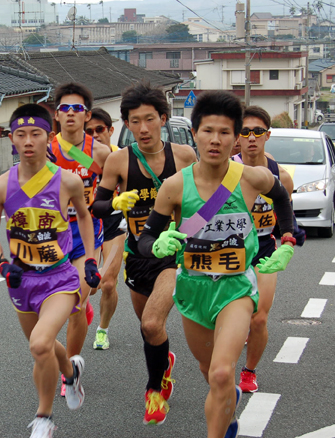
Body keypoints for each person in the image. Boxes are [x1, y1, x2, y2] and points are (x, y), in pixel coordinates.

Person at [137, 90, 296, 438]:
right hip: (193, 289)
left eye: (225, 132)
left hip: (235, 286)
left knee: (223, 373)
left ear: (236, 137)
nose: (215, 140)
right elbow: (145, 240)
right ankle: (228, 407)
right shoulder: (174, 187)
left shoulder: (250, 178)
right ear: (194, 133)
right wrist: (159, 244)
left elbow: (282, 197)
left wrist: (288, 239)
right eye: (208, 130)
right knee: (210, 372)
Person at [0, 103, 101, 437]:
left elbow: (85, 217)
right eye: (20, 134)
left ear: (48, 137)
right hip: (21, 281)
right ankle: (71, 372)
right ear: (11, 139)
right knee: (44, 347)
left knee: (39, 345)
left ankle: (44, 418)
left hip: (60, 277)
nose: (28, 141)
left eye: (35, 134)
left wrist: (90, 260)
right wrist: (3, 265)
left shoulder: (67, 181)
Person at [91, 81, 197, 425]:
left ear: (163, 118)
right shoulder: (119, 160)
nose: (143, 128)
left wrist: (187, 234)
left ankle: (154, 389)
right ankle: (164, 361)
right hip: (137, 253)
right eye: (134, 121)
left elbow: (204, 203)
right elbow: (98, 205)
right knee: (149, 329)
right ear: (126, 124)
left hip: (173, 255)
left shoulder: (184, 157)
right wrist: (117, 202)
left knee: (153, 323)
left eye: (149, 119)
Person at [49, 83, 111, 396]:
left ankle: (70, 371)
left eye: (77, 109)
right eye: (64, 109)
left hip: (88, 232)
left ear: (87, 115)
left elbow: (113, 189)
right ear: (56, 115)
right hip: (52, 234)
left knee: (75, 302)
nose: (70, 114)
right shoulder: (46, 149)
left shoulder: (101, 152)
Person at [235, 106, 296, 394]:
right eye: (245, 131)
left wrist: (288, 241)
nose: (251, 138)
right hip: (231, 249)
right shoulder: (226, 169)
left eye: (257, 132)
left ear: (267, 135)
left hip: (263, 247)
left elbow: (286, 214)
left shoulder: (280, 176)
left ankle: (248, 371)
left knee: (259, 316)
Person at [84, 107, 126, 351]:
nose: (95, 135)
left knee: (108, 283)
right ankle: (85, 303)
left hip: (115, 224)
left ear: (111, 130)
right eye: (89, 131)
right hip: (88, 224)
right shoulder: (80, 160)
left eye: (100, 129)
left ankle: (102, 329)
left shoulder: (122, 158)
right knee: (89, 287)